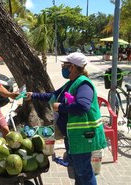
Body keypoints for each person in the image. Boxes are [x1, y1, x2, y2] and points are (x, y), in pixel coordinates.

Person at [26, 52, 107, 185]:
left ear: (73, 67)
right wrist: (33, 95)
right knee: (78, 171)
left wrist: (61, 107)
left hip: (83, 137)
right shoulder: (71, 83)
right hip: (74, 136)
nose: (62, 67)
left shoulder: (83, 84)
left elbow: (83, 106)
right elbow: (53, 96)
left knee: (84, 172)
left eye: (65, 65)